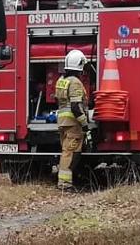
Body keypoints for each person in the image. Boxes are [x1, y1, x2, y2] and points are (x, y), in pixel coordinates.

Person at [55, 48, 90, 190]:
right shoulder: (75, 82)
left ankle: (69, 180)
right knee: (69, 153)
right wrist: (85, 124)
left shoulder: (61, 80)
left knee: (68, 151)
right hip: (73, 124)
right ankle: (64, 184)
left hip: (62, 122)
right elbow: (75, 107)